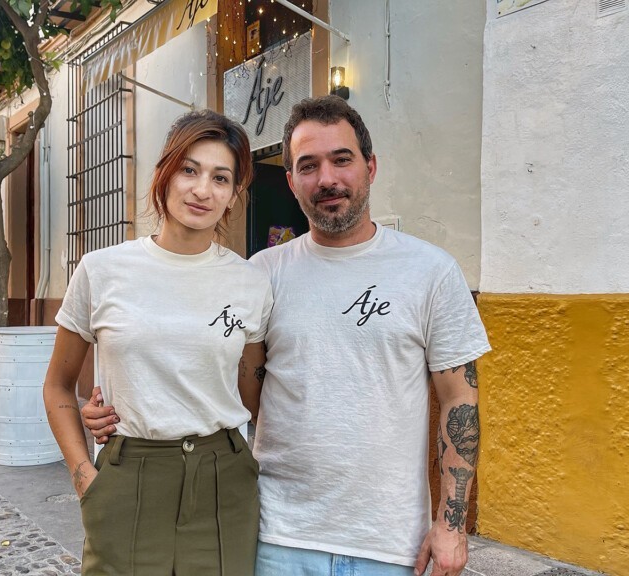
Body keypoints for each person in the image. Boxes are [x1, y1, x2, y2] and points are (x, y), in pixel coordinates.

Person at [84, 95, 490, 576]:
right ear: (292, 181)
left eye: (342, 160)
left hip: (387, 543)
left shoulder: (431, 271)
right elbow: (234, 392)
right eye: (308, 166)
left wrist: (451, 524)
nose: (327, 179)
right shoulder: (261, 276)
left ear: (371, 167)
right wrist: (123, 404)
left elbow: (459, 400)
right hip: (276, 536)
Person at [43, 109, 272, 576]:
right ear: (163, 174)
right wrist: (84, 474)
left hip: (223, 482)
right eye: (189, 169)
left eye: (221, 178)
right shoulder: (101, 270)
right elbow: (58, 386)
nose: (202, 189)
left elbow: (251, 395)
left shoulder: (251, 283)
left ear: (233, 195)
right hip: (129, 474)